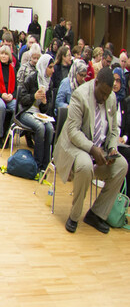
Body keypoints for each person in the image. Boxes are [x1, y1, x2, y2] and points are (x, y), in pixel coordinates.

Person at [54, 68, 127, 234]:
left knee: (122, 165)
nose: (104, 98)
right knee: (86, 164)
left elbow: (114, 130)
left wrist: (112, 149)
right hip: (75, 147)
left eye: (107, 94)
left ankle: (96, 214)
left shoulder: (111, 97)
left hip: (99, 149)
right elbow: (73, 132)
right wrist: (92, 149)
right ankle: (74, 215)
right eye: (102, 93)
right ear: (95, 83)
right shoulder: (80, 95)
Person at [17, 54, 56, 171]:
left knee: (50, 128)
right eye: (50, 67)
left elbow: (46, 109)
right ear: (44, 67)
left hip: (39, 114)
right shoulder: (32, 78)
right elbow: (22, 99)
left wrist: (44, 103)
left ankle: (45, 165)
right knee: (40, 128)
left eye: (53, 67)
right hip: (26, 112)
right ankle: (37, 165)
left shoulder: (50, 83)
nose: (53, 70)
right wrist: (33, 96)